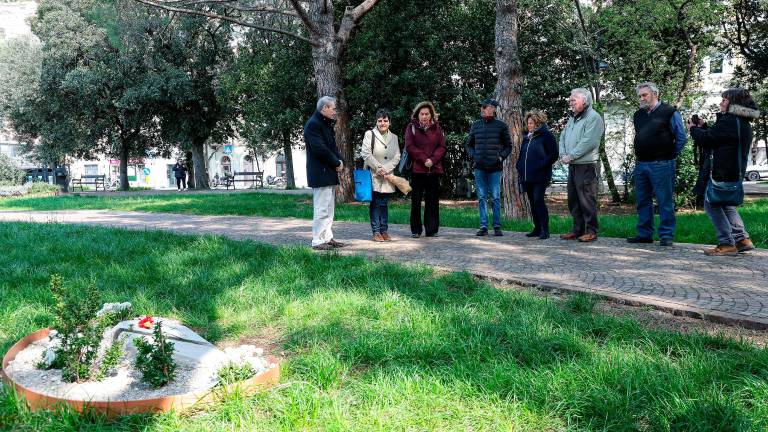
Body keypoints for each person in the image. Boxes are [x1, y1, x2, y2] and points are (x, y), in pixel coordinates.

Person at [689, 88, 760, 256]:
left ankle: (727, 243)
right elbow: (719, 138)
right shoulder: (741, 121)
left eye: (725, 100)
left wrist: (693, 129)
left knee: (711, 204)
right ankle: (742, 239)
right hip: (734, 170)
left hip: (723, 170)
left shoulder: (730, 120)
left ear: (733, 104)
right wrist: (705, 126)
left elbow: (707, 139)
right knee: (725, 203)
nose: (721, 102)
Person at [626, 82, 687, 247]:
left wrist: (670, 154)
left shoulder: (669, 112)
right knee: (642, 201)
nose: (641, 98)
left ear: (655, 94)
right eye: (639, 96)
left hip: (662, 164)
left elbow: (681, 137)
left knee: (664, 201)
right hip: (641, 164)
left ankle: (666, 235)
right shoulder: (638, 115)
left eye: (644, 95)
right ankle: (644, 234)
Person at [558, 87, 605, 242]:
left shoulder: (594, 117)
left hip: (586, 165)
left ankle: (591, 231)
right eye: (570, 100)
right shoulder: (573, 118)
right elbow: (563, 136)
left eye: (573, 100)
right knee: (573, 199)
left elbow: (589, 142)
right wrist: (563, 154)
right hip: (573, 164)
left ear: (584, 101)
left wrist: (571, 155)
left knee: (586, 199)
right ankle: (577, 230)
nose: (570, 103)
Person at [465, 98, 512, 236]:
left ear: (494, 109)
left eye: (489, 107)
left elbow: (508, 146)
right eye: (484, 107)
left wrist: (500, 157)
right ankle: (484, 226)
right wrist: (474, 155)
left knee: (496, 197)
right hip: (479, 167)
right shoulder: (476, 125)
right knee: (482, 197)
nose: (486, 109)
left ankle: (497, 226)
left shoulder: (501, 126)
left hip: (495, 168)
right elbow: (468, 145)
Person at [304, 96, 345, 251]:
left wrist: (340, 161)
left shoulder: (324, 124)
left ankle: (327, 238)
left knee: (329, 209)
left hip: (327, 172)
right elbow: (320, 149)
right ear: (324, 109)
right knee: (321, 208)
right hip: (320, 173)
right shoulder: (313, 125)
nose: (335, 111)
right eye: (333, 108)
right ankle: (317, 240)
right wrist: (336, 163)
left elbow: (332, 148)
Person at [405, 101, 446, 238]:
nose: (424, 116)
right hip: (418, 169)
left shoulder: (437, 128)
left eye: (427, 114)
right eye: (422, 114)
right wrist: (424, 159)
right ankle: (416, 230)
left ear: (431, 114)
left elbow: (442, 147)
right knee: (416, 201)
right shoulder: (411, 127)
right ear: (418, 114)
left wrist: (433, 160)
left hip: (434, 170)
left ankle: (431, 229)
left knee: (432, 201)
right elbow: (410, 146)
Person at [516, 110, 558, 239]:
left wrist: (540, 165)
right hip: (527, 176)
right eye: (528, 123)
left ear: (538, 123)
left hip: (540, 175)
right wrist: (519, 166)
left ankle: (545, 230)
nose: (528, 125)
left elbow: (553, 155)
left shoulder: (547, 136)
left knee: (538, 200)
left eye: (531, 123)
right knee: (532, 202)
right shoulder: (527, 137)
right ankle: (537, 228)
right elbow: (523, 153)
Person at [361, 109, 401, 242]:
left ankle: (384, 231)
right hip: (374, 174)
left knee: (384, 203)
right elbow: (365, 153)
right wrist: (378, 168)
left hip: (387, 175)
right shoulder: (369, 134)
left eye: (385, 120)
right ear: (376, 122)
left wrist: (387, 169)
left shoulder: (394, 137)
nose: (382, 123)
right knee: (375, 203)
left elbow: (397, 156)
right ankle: (376, 231)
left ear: (389, 122)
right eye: (380, 120)